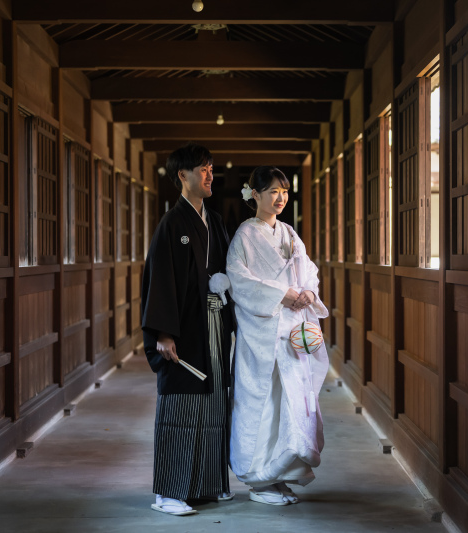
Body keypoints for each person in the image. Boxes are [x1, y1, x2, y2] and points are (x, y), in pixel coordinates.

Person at [140, 142, 235, 516]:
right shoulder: (172, 223)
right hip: (183, 329)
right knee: (180, 403)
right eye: (203, 169)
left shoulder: (213, 221)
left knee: (212, 403)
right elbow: (159, 279)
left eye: (211, 168)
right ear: (183, 176)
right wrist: (163, 332)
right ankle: (168, 491)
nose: (210, 175)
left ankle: (203, 484)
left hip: (212, 323)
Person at [226, 166, 329, 506]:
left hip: (291, 331)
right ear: (254, 195)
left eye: (284, 191)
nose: (280, 197)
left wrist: (309, 295)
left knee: (292, 403)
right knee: (265, 402)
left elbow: (309, 272)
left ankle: (280, 474)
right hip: (263, 333)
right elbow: (240, 280)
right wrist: (282, 294)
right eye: (272, 191)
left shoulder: (288, 233)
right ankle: (259, 480)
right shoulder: (245, 235)